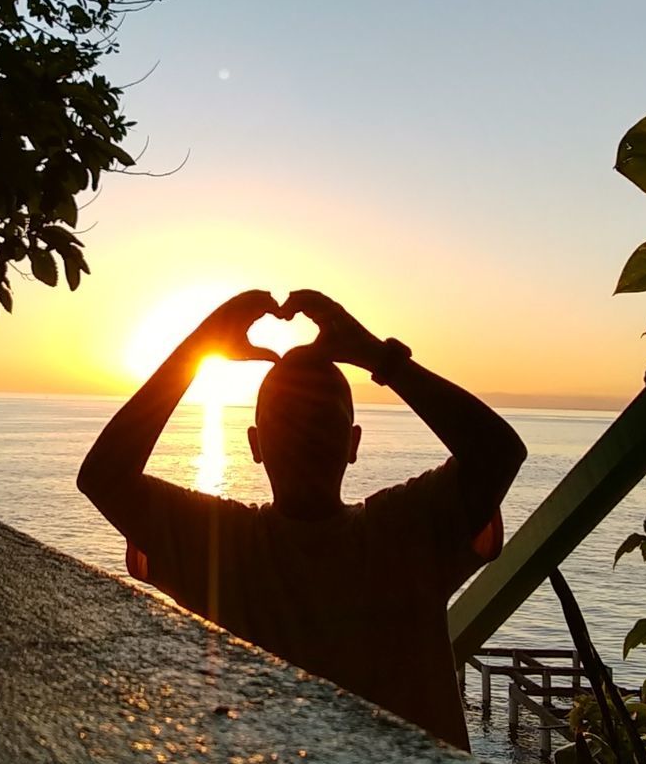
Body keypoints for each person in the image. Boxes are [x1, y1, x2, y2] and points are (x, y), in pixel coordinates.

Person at [77, 289, 526, 751]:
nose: (304, 433)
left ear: (351, 443)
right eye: (290, 418)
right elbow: (495, 452)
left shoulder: (223, 545)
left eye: (318, 418)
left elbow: (106, 477)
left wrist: (199, 349)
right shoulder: (405, 530)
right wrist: (374, 356)